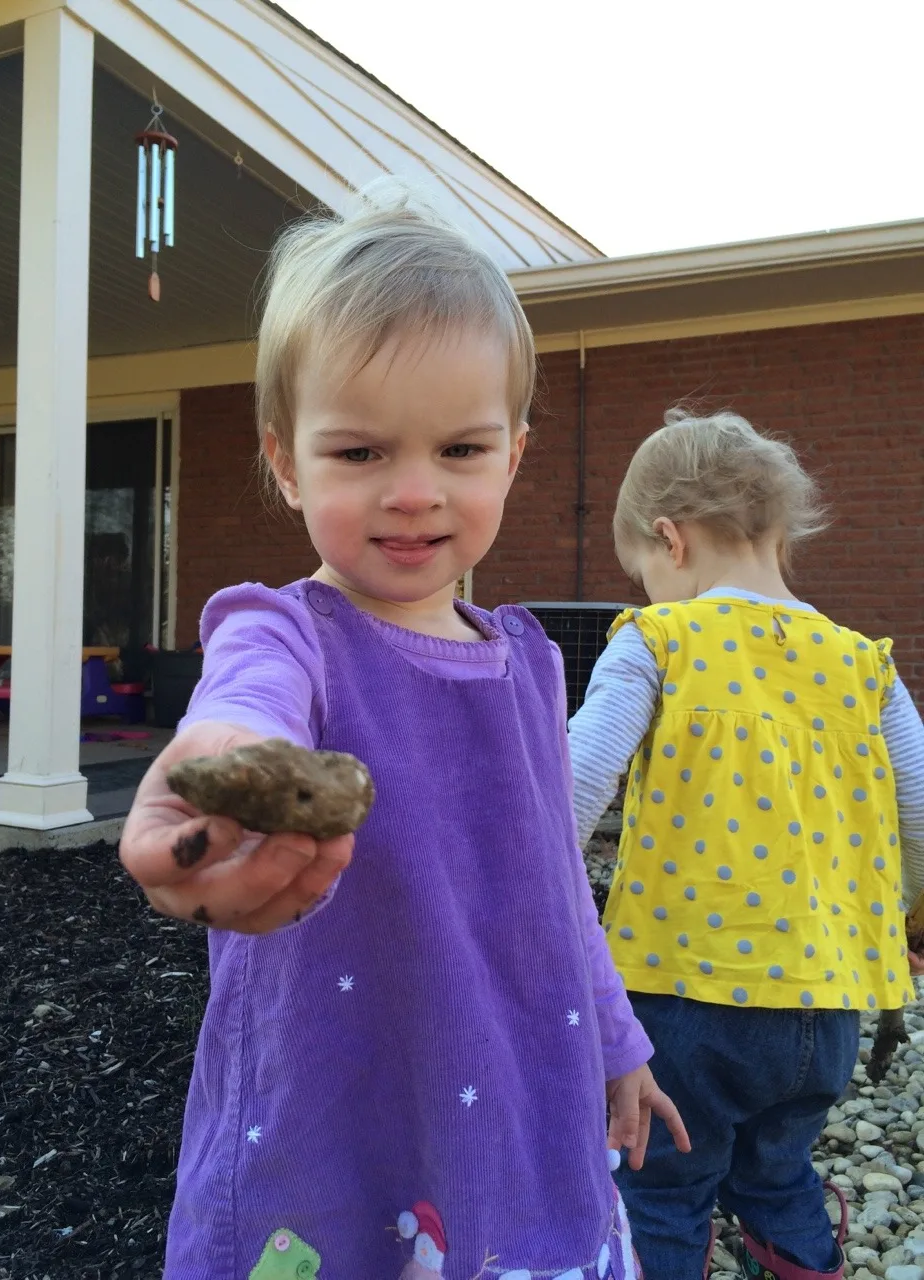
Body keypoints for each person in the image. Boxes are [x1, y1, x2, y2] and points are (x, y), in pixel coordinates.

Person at [119, 186, 688, 1280]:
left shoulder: (527, 658)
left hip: (519, 1089)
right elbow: (245, 699)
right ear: (286, 461)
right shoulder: (285, 630)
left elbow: (557, 885)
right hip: (340, 1111)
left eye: (462, 449)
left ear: (516, 453)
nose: (416, 492)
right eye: (362, 453)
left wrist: (618, 1045)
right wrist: (224, 767)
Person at [568, 409, 924, 1280]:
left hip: (687, 997)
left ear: (670, 540)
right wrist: (908, 916)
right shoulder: (861, 665)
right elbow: (920, 807)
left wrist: (535, 908)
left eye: (642, 572)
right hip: (829, 1004)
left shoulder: (659, 639)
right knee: (776, 1172)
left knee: (663, 1184)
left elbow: (570, 787)